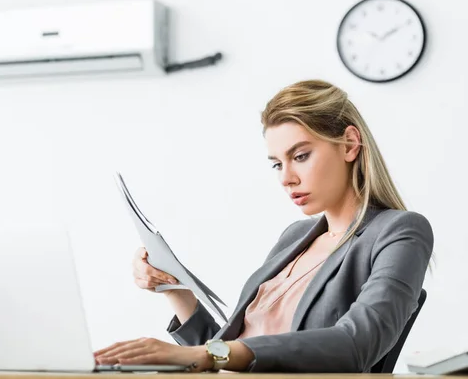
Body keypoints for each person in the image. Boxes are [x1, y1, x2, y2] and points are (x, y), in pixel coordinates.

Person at [94, 80, 434, 373]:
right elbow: (227, 351)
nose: (286, 178)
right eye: (276, 164)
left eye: (300, 156)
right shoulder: (295, 237)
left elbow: (358, 342)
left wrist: (206, 355)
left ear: (349, 144)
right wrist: (175, 288)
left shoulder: (400, 231)